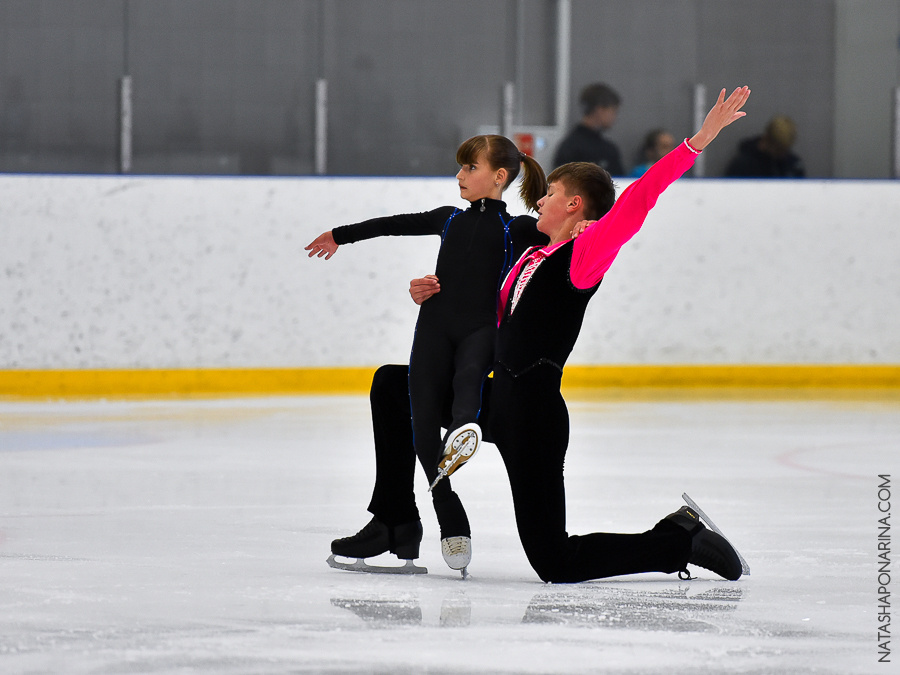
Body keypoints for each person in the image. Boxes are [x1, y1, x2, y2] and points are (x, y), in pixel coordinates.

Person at [357, 86, 752, 583]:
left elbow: (638, 200)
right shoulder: (527, 252)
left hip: (532, 415)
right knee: (392, 386)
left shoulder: (583, 259)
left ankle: (679, 539)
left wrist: (697, 141)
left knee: (554, 561)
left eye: (549, 195)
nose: (539, 200)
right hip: (491, 394)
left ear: (575, 205)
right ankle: (393, 519)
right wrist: (432, 294)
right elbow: (485, 308)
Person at [306, 135, 549, 574]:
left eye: (469, 168)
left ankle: (461, 432)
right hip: (434, 327)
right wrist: (340, 236)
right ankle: (444, 505)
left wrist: (584, 226)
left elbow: (567, 237)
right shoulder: (448, 219)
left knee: (465, 391)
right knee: (419, 423)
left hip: (480, 330)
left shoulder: (519, 229)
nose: (459, 175)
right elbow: (392, 223)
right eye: (460, 167)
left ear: (498, 177)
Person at [552, 83, 624, 175]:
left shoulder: (569, 146)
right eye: (613, 111)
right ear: (600, 110)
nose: (615, 117)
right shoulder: (572, 149)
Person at [724, 114, 805, 178]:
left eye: (784, 149)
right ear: (767, 139)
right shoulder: (744, 165)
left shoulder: (793, 166)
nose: (781, 153)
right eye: (778, 149)